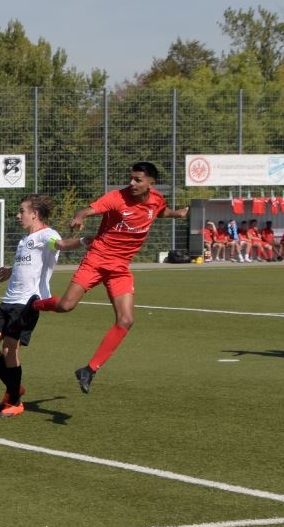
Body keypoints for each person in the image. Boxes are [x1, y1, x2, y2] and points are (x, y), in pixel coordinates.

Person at [30, 162, 188, 394]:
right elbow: (87, 210)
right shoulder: (116, 198)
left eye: (138, 180)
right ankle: (32, 304)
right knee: (65, 306)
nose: (132, 183)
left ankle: (89, 370)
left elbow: (160, 211)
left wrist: (177, 213)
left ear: (151, 183)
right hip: (97, 260)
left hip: (120, 267)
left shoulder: (156, 199)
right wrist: (79, 217)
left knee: (126, 320)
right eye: (131, 178)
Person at [0, 194, 59, 417]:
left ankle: (15, 400)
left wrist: (83, 241)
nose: (18, 215)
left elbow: (61, 244)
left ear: (34, 214)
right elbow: (27, 267)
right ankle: (15, 389)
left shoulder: (48, 235)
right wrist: (10, 271)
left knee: (9, 349)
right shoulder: (23, 240)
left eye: (22, 211)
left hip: (28, 303)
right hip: (8, 300)